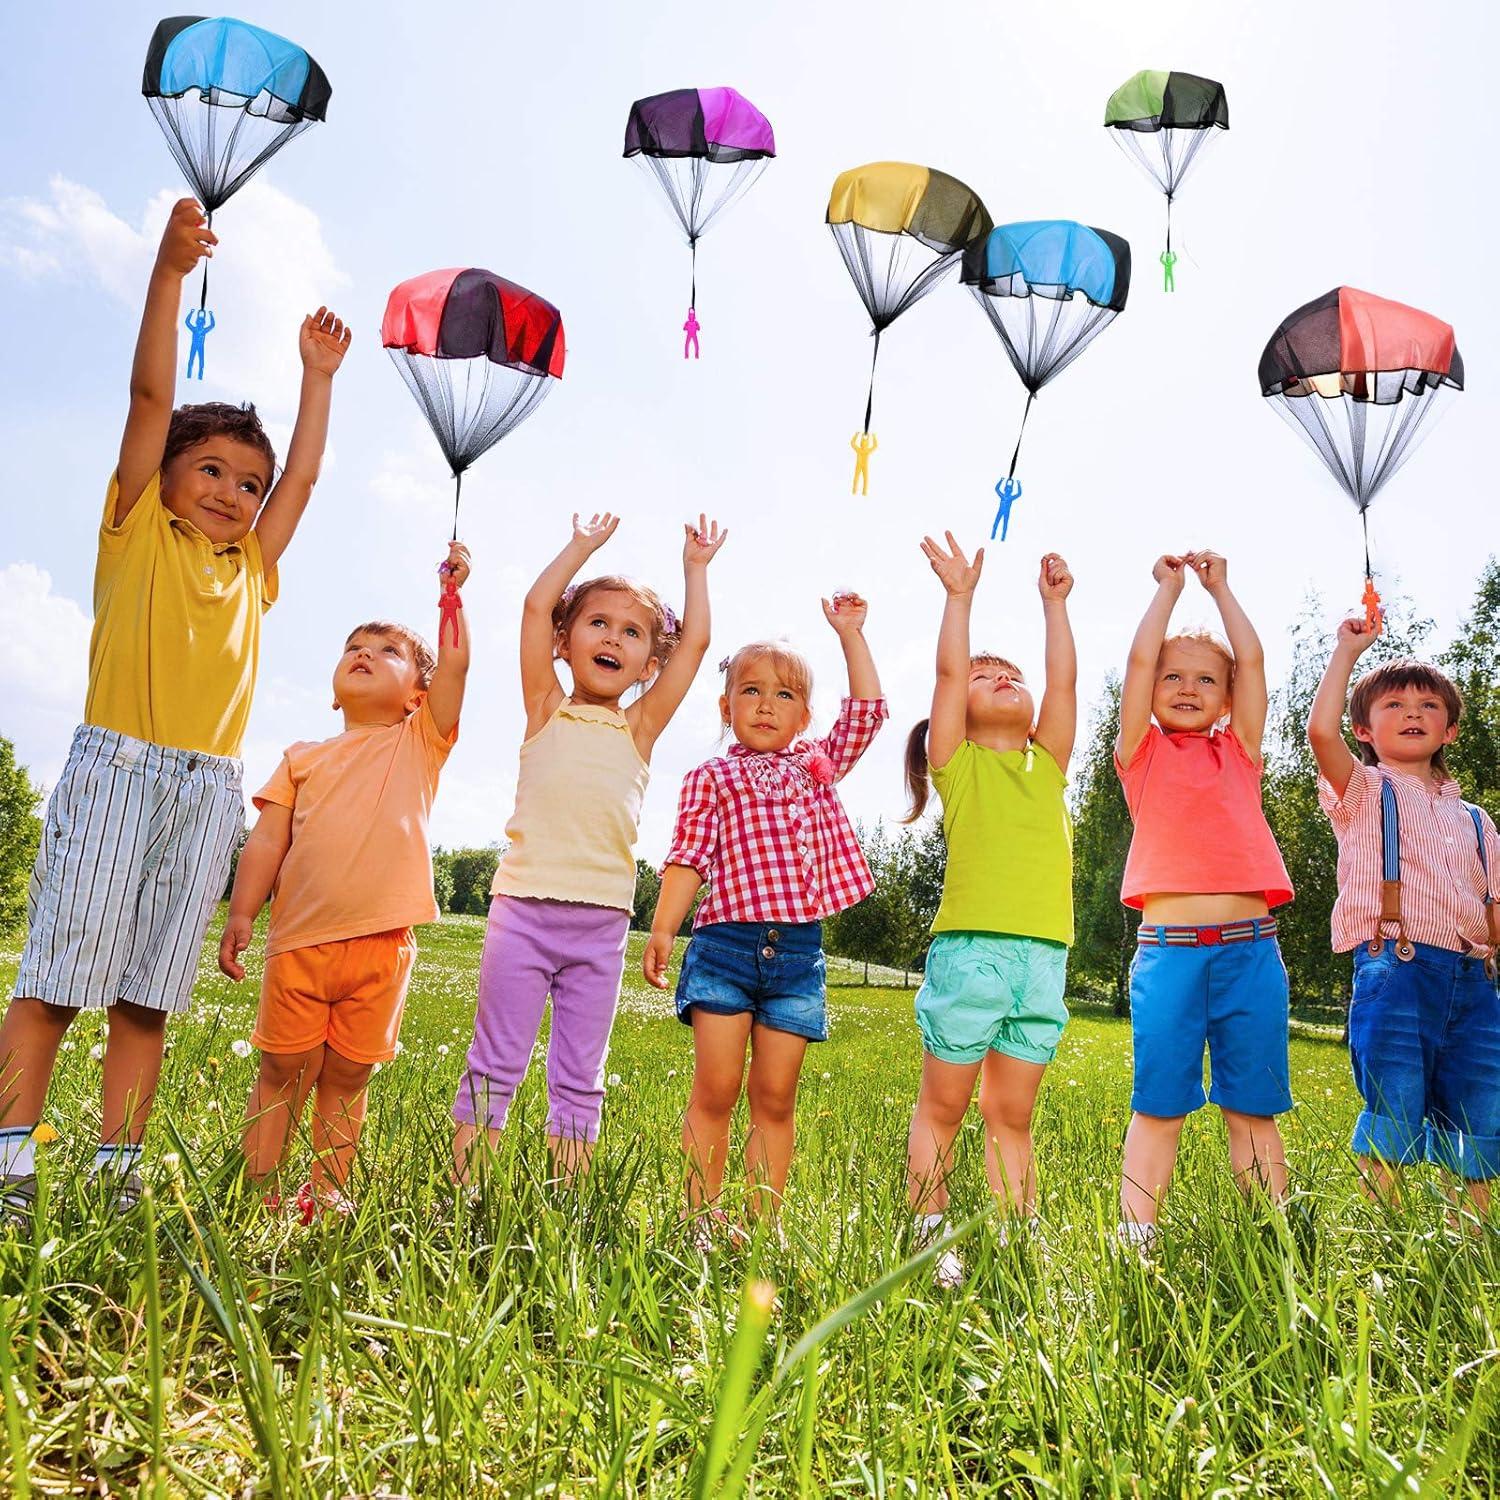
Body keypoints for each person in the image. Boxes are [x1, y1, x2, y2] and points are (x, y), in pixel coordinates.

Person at [0, 198, 349, 1222]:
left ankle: (115, 1172)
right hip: (117, 767)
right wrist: (166, 274)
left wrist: (315, 381)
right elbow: (152, 393)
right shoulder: (137, 531)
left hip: (206, 794)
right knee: (61, 978)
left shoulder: (253, 568)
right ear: (161, 478)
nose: (233, 493)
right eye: (211, 470)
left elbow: (308, 477)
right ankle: (10, 1162)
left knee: (148, 995)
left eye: (248, 483)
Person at [452, 513, 727, 1185]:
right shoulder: (545, 706)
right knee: (496, 1060)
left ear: (647, 663)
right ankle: (463, 1196)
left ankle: (567, 1198)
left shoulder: (640, 726)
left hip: (600, 925)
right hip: (522, 911)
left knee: (580, 1072)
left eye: (631, 632)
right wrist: (581, 547)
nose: (612, 637)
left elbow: (694, 648)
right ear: (563, 642)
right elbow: (534, 605)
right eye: (597, 623)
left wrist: (695, 569)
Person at [218, 547, 470, 1220]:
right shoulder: (300, 758)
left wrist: (450, 601)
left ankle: (327, 1191)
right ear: (334, 688)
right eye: (354, 646)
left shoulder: (420, 742)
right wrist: (243, 913)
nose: (365, 652)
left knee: (348, 1075)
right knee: (282, 1069)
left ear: (418, 692)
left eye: (388, 650)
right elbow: (267, 839)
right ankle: (261, 1190)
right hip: (299, 941)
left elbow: (458, 672)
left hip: (382, 947)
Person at [644, 596, 887, 1241]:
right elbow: (689, 855)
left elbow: (867, 714)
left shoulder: (816, 770)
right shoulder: (711, 776)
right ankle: (698, 1216)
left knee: (775, 1097)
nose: (764, 704)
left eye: (783, 695)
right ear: (726, 707)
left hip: (798, 956)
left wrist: (851, 635)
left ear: (804, 715)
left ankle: (759, 1223)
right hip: (724, 946)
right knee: (717, 1088)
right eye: (749, 691)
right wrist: (665, 925)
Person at [902, 537, 1076, 1287]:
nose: (1004, 678)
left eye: (1011, 675)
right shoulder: (960, 764)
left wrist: (1055, 606)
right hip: (971, 953)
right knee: (943, 1104)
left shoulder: (1049, 765)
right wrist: (959, 598)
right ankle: (929, 1231)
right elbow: (948, 671)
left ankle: (1014, 1235)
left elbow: (1064, 684)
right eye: (986, 676)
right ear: (956, 715)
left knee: (1012, 1114)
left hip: (1044, 960)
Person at [1114, 551, 1294, 1253]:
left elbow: (1251, 659)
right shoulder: (1141, 754)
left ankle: (1271, 1239)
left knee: (1252, 1107)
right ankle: (1136, 1238)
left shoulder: (1241, 752)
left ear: (1227, 697)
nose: (1187, 687)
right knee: (1159, 1104)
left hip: (1253, 952)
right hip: (1169, 957)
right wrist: (1169, 590)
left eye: (1206, 680)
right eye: (1173, 676)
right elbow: (1134, 664)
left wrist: (1221, 591)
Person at [1308, 620, 1500, 1220]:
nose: (1412, 712)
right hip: (1397, 966)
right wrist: (1348, 649)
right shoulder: (1364, 790)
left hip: (1475, 978)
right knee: (1394, 1104)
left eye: (1428, 705)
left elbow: (1494, 904)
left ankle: (1464, 1245)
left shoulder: (1476, 818)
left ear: (1451, 728)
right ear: (1364, 728)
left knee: (1480, 1111)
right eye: (1393, 704)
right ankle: (1381, 1238)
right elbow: (1319, 731)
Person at [184, 307, 215, 380]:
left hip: (200, 347)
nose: (200, 323)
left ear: (203, 323)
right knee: (191, 361)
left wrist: (211, 315)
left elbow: (212, 325)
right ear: (197, 322)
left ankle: (199, 377)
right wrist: (191, 313)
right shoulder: (196, 329)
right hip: (194, 346)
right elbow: (187, 322)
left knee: (200, 362)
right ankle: (189, 376)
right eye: (199, 321)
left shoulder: (203, 330)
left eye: (201, 322)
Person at [850, 431, 878, 496]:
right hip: (861, 466)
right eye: (863, 442)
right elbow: (875, 446)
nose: (864, 444)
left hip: (861, 466)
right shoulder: (865, 450)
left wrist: (856, 435)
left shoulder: (860, 449)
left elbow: (852, 443)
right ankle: (861, 492)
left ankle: (857, 491)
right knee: (862, 478)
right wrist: (873, 437)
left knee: (861, 478)